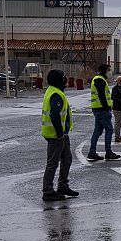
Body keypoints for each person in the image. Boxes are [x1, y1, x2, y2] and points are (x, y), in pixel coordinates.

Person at [41, 69, 78, 201]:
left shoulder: (54, 91)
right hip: (56, 135)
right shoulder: (56, 94)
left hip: (61, 134)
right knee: (52, 163)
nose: (66, 80)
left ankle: (63, 185)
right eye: (64, 78)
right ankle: (48, 191)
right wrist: (59, 134)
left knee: (67, 159)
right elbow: (54, 114)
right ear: (59, 80)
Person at [87, 64, 120, 161]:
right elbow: (102, 96)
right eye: (109, 70)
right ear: (105, 70)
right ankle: (108, 152)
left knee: (97, 131)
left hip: (98, 109)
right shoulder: (100, 80)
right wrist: (106, 108)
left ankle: (92, 152)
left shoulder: (97, 79)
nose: (110, 72)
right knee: (109, 130)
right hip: (102, 110)